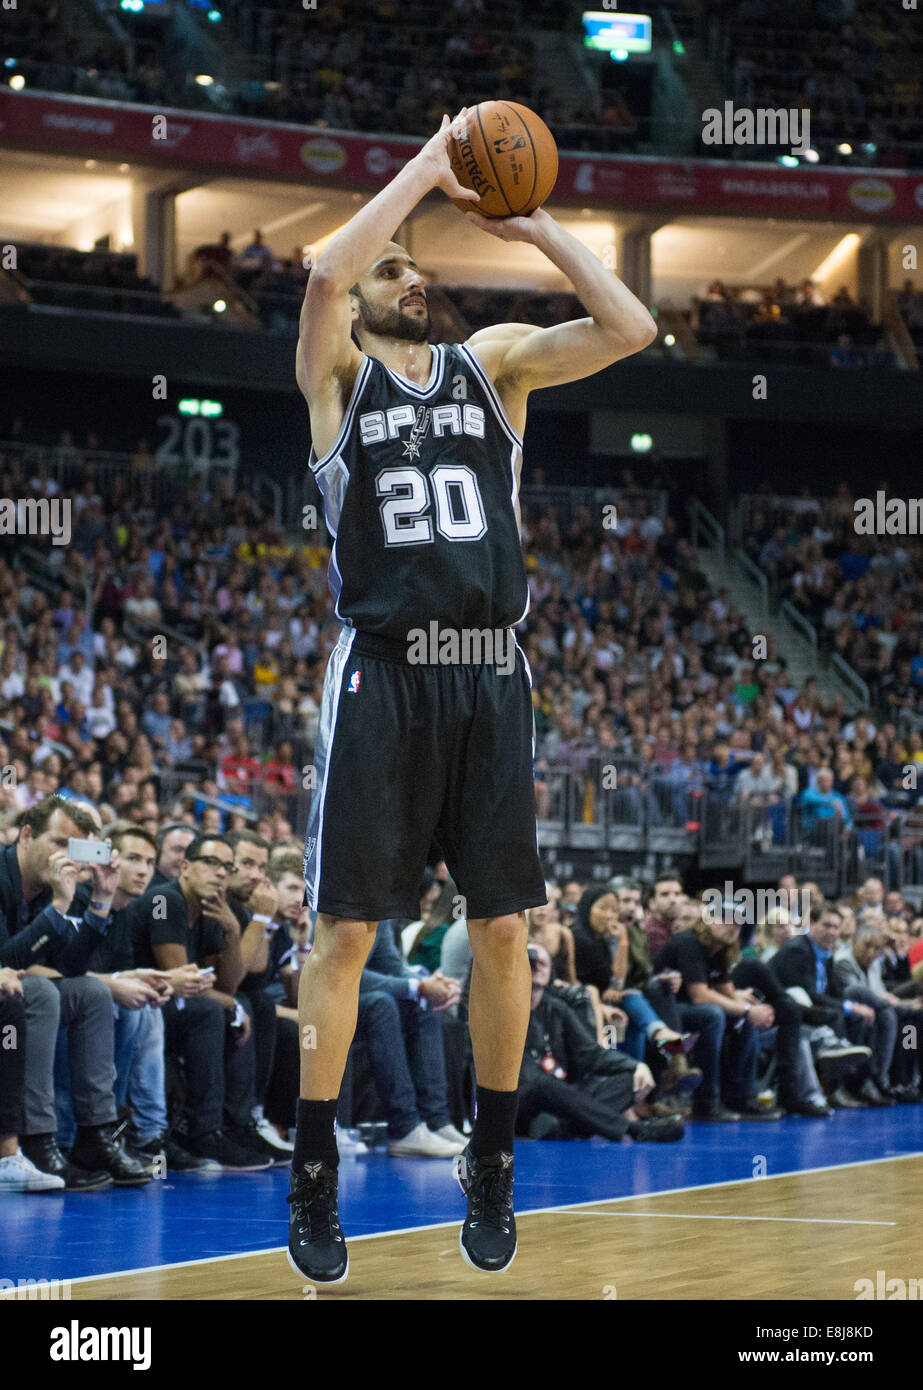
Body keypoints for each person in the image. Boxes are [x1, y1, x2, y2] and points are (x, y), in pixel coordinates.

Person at [289, 105, 656, 1283]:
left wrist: (536, 222)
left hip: (491, 673)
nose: (405, 272)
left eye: (414, 263)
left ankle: (488, 1161)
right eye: (388, 266)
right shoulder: (333, 370)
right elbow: (324, 268)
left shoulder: (492, 360)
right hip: (384, 673)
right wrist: (423, 172)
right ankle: (313, 1173)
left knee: (504, 925)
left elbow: (631, 324)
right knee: (343, 929)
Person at [517, 943, 684, 1144]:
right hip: (522, 1101)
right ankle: (632, 1130)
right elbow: (526, 1077)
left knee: (630, 1078)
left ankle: (560, 1127)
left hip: (565, 1097)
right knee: (543, 1083)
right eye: (532, 961)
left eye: (543, 963)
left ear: (551, 970)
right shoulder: (506, 1009)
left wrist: (635, 1066)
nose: (537, 968)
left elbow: (590, 1052)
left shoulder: (557, 1009)